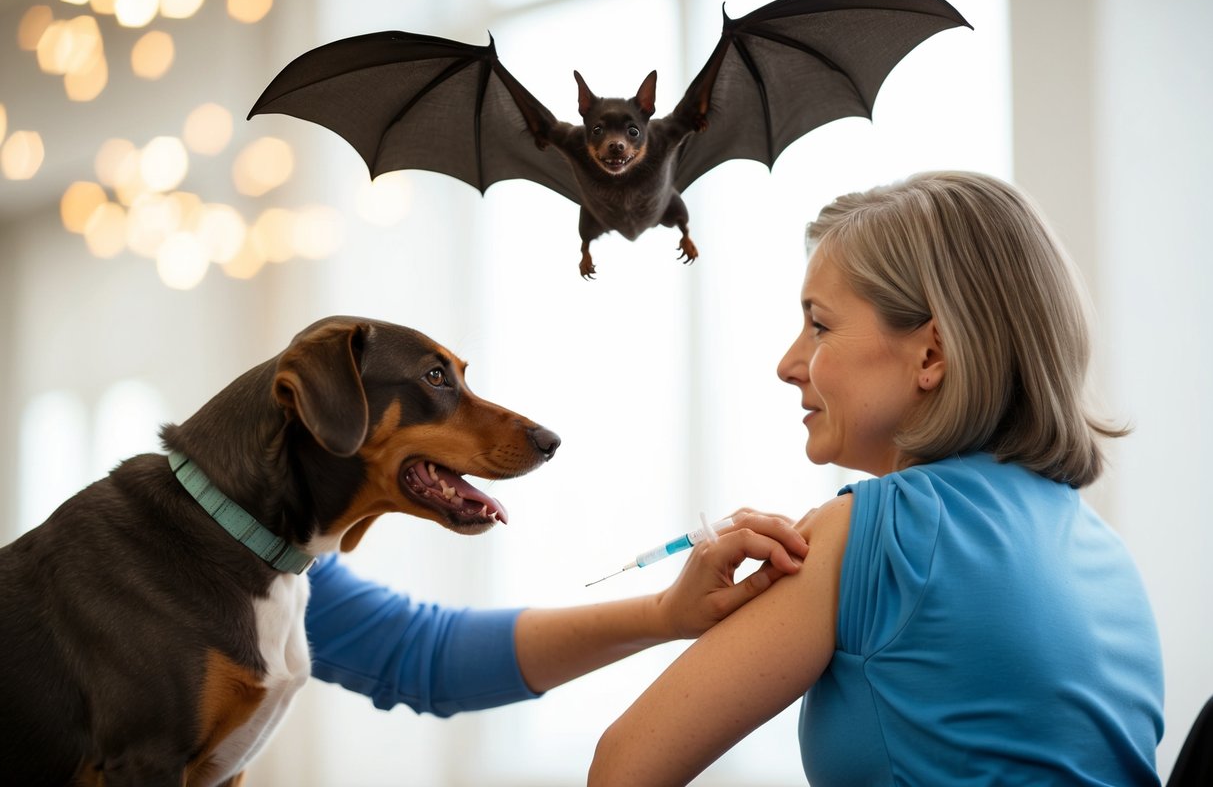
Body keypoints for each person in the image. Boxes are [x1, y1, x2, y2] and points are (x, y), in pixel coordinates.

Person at [588, 171, 1165, 785]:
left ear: (932, 355)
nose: (788, 365)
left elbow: (622, 770)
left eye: (820, 326)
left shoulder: (872, 533)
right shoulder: (1108, 557)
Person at [304, 510, 809, 717]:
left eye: (820, 324)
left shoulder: (280, 569)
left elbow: (421, 652)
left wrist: (665, 614)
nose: (787, 366)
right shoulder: (248, 561)